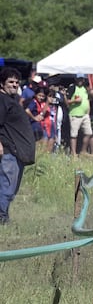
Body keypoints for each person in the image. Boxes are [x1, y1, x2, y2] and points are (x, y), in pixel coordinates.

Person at [0, 67, 36, 224]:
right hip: (9, 151)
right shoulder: (1, 99)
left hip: (17, 152)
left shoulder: (11, 99)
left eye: (16, 82)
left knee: (10, 189)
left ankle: (3, 216)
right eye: (10, 82)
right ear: (2, 84)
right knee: (7, 188)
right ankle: (2, 219)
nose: (14, 85)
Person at [66, 74, 93, 156]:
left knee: (89, 133)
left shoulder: (85, 88)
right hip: (75, 114)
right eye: (78, 79)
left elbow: (88, 99)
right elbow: (67, 101)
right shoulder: (72, 88)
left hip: (85, 115)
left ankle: (83, 151)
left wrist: (88, 112)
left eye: (81, 79)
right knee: (74, 135)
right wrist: (74, 101)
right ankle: (73, 153)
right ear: (76, 79)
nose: (80, 81)